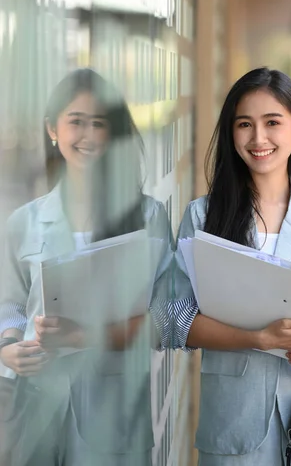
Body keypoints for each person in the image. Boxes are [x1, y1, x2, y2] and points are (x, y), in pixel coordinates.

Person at [173, 67, 291, 466]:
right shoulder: (202, 218)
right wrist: (259, 338)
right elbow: (172, 319)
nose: (258, 139)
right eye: (244, 124)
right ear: (230, 132)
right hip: (234, 421)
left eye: (273, 122)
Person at [0, 68, 172, 466]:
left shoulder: (148, 217)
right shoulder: (23, 222)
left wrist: (88, 335)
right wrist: (9, 348)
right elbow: (9, 304)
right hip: (36, 406)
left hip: (115, 412)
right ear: (52, 129)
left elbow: (165, 316)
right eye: (76, 122)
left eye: (100, 124)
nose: (89, 136)